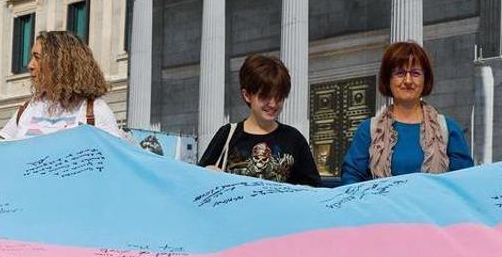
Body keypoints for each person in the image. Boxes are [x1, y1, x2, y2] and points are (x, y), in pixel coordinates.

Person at [341, 41, 473, 184]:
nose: (408, 80)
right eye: (400, 73)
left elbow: (463, 183)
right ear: (388, 79)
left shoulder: (448, 129)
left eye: (415, 73)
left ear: (425, 80)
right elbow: (351, 179)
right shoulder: (368, 130)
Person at [198, 54, 320, 186]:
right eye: (265, 96)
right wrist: (207, 174)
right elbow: (197, 182)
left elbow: (313, 188)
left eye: (279, 97)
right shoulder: (228, 134)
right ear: (247, 95)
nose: (273, 104)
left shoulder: (293, 138)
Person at [0, 30, 125, 140]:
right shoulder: (28, 109)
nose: (30, 66)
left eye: (37, 58)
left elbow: (112, 161)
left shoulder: (96, 111)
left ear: (60, 64)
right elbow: (1, 156)